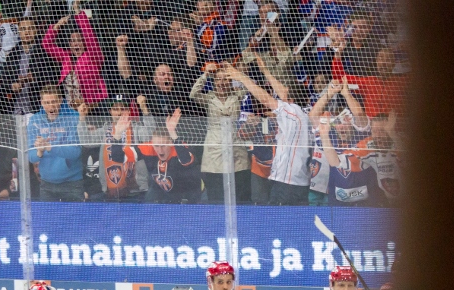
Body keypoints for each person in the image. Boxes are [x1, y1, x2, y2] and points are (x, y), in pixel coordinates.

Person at [223, 61, 312, 205]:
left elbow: (264, 98)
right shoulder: (306, 114)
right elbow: (284, 93)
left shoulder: (290, 111)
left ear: (290, 99)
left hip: (286, 182)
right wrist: (265, 70)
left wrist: (240, 77)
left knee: (278, 221)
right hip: (302, 181)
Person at [108, 108, 202, 203]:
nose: (160, 150)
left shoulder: (179, 147)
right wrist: (117, 134)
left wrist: (172, 132)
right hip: (160, 190)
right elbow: (118, 158)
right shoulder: (148, 148)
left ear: (171, 143)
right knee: (149, 203)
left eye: (163, 146)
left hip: (189, 191)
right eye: (156, 145)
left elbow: (186, 160)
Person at [189, 63, 250, 203]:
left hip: (236, 146)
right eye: (218, 79)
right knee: (216, 194)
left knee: (239, 192)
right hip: (214, 148)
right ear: (214, 81)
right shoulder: (209, 98)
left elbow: (249, 87)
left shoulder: (237, 96)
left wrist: (236, 73)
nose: (221, 83)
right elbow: (193, 94)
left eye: (225, 79)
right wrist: (205, 74)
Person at [42, 9, 108, 108]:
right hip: (70, 106)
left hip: (91, 104)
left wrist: (79, 14)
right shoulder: (66, 56)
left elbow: (89, 36)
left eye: (79, 40)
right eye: (73, 41)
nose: (76, 43)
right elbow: (46, 45)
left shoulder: (93, 54)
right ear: (69, 44)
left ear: (85, 43)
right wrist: (57, 26)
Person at [27, 86, 83, 201]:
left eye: (54, 102)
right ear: (41, 102)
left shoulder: (73, 117)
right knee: (47, 218)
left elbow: (75, 152)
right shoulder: (35, 120)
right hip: (46, 183)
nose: (51, 107)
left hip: (72, 182)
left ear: (61, 100)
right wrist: (39, 151)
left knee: (75, 218)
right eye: (47, 102)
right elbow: (31, 157)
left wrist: (50, 147)